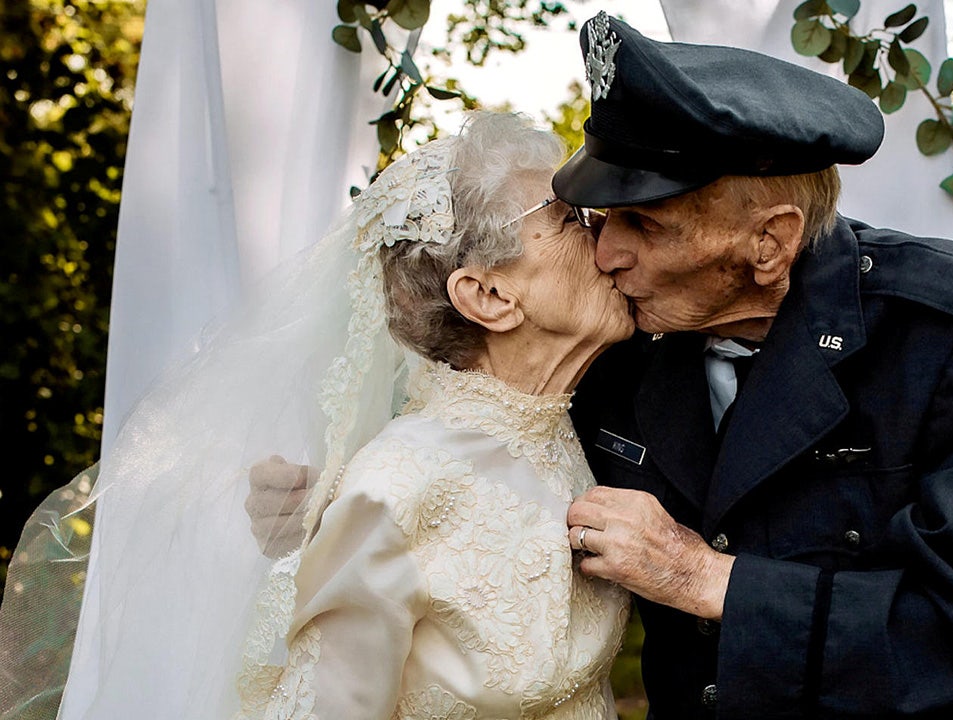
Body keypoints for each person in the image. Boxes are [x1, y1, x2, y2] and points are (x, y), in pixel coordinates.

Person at [0, 112, 632, 720]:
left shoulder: (563, 421)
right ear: (488, 296)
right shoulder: (395, 488)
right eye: (570, 217)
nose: (605, 226)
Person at [553, 14, 953, 720]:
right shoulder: (626, 338)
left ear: (770, 242)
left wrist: (699, 577)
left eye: (645, 225)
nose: (606, 254)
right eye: (604, 217)